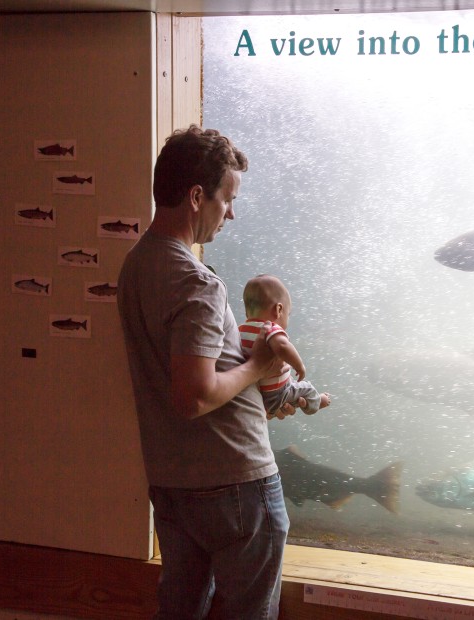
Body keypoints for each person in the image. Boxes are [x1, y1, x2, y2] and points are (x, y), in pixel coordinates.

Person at [117, 125, 298, 619]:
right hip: (234, 479)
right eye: (227, 198)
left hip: (173, 483)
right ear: (197, 197)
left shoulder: (136, 266)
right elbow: (193, 395)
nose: (231, 213)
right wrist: (260, 366)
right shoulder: (196, 281)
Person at [239, 274, 331, 417]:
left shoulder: (240, 330)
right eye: (288, 314)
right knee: (306, 388)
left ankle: (303, 402)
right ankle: (316, 403)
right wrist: (299, 366)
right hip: (276, 393)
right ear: (279, 310)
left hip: (257, 395)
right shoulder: (270, 328)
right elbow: (282, 346)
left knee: (293, 393)